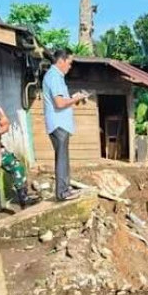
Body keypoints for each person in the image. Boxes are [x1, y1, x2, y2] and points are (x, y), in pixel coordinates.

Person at [42, 48, 88, 201]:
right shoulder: (54, 77)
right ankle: (62, 192)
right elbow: (60, 103)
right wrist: (76, 98)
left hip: (60, 124)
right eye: (69, 63)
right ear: (61, 61)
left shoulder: (56, 77)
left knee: (64, 157)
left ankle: (66, 188)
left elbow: (61, 100)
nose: (70, 66)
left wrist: (73, 97)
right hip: (58, 124)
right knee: (61, 158)